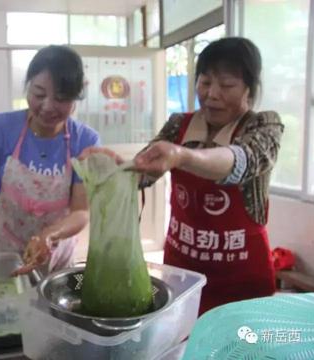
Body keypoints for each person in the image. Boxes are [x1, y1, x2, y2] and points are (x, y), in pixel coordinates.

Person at [81, 37, 284, 314]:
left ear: (249, 88)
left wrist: (183, 156)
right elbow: (146, 169)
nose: (212, 94)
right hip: (183, 271)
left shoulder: (264, 125)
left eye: (226, 85)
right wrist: (121, 168)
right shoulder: (179, 125)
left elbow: (241, 160)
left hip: (242, 277)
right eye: (204, 81)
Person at [0, 45, 100, 275]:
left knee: (48, 308)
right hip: (4, 252)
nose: (47, 107)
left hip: (53, 256)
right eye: (39, 94)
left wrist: (49, 235)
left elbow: (81, 211)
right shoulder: (2, 128)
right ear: (28, 87)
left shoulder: (85, 140)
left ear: (75, 98)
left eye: (61, 98)